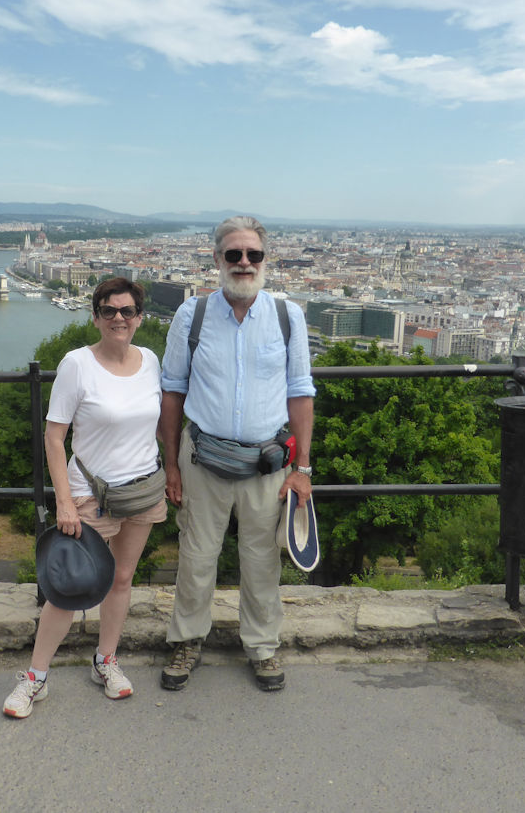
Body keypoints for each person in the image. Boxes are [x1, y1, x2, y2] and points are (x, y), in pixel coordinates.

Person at [158, 216, 315, 692]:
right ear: (217, 260)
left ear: (266, 260)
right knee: (196, 555)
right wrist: (170, 464)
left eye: (253, 255)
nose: (244, 263)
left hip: (267, 462)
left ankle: (263, 646)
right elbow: (172, 391)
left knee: (263, 559)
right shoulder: (193, 315)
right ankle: (187, 640)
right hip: (203, 457)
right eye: (234, 255)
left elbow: (300, 393)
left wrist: (303, 468)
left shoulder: (288, 316)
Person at [3, 276, 167, 718]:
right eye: (109, 310)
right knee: (66, 585)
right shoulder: (78, 364)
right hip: (90, 494)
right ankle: (35, 677)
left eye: (127, 311)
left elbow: (155, 423)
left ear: (138, 318)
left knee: (121, 578)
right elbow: (54, 437)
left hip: (142, 489)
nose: (118, 318)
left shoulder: (150, 360)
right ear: (95, 317)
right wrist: (63, 502)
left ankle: (106, 661)